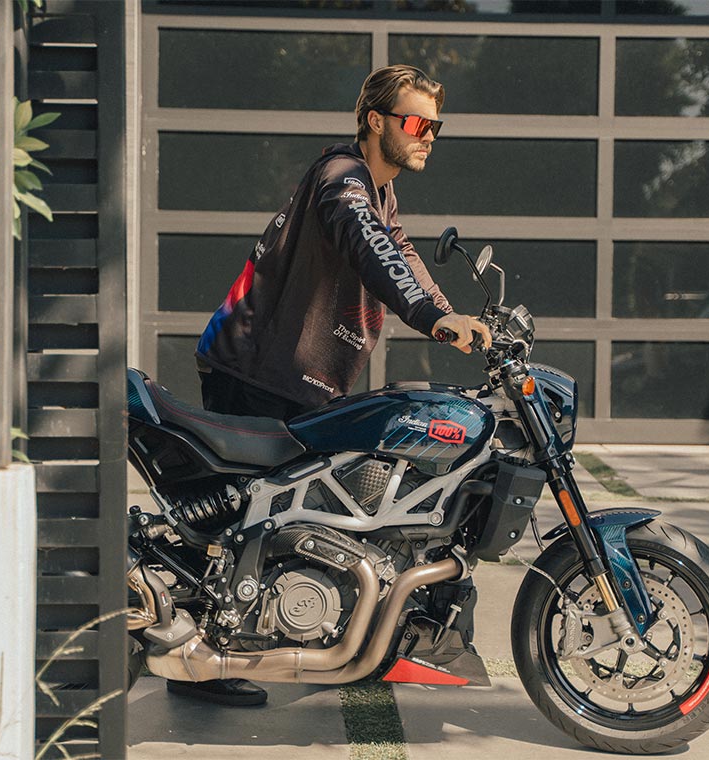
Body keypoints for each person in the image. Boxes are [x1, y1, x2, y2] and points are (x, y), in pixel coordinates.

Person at [170, 64, 491, 706]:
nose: (428, 135)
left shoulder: (378, 194)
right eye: (417, 122)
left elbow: (401, 253)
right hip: (257, 366)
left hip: (296, 376)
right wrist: (432, 317)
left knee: (287, 511)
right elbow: (372, 247)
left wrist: (450, 316)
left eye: (436, 126)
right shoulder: (343, 177)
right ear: (376, 120)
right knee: (241, 520)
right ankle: (203, 659)